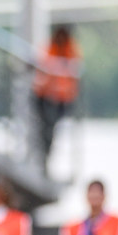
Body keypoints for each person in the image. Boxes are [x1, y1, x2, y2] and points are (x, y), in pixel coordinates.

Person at [33, 25, 83, 167]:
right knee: (44, 128)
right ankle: (42, 155)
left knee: (51, 128)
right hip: (45, 96)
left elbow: (75, 70)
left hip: (62, 99)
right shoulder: (49, 48)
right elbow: (42, 66)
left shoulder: (71, 49)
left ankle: (46, 155)